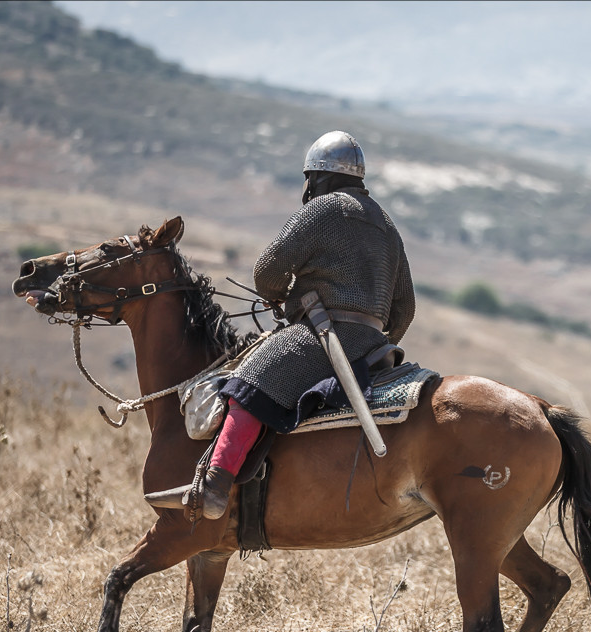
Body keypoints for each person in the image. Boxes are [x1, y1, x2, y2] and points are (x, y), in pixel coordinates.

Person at [149, 130, 415, 520]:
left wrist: (280, 296)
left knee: (249, 381)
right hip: (374, 346)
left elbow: (267, 272)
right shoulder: (387, 225)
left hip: (321, 336)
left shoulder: (323, 210)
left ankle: (215, 486)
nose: (307, 187)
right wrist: (374, 339)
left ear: (319, 178)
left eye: (309, 179)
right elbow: (404, 307)